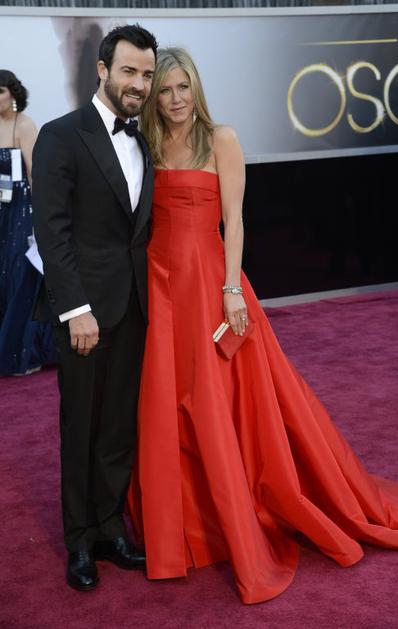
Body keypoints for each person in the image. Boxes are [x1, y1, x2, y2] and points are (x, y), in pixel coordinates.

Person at [127, 48, 398, 605]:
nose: (175, 99)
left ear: (196, 88)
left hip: (209, 285)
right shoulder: (146, 142)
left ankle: (243, 515)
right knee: (168, 402)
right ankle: (184, 524)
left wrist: (230, 290)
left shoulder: (221, 139)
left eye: (182, 87)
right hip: (160, 285)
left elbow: (235, 220)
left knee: (223, 403)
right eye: (164, 90)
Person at [31, 25, 157, 591]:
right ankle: (79, 540)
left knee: (117, 424)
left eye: (147, 74)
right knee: (80, 425)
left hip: (133, 306)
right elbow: (52, 232)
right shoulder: (61, 135)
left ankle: (110, 529)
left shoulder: (145, 139)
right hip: (84, 312)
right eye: (129, 71)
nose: (139, 84)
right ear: (103, 70)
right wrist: (74, 308)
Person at [0, 70, 56, 375]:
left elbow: (36, 173)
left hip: (20, 210)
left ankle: (21, 350)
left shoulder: (24, 125)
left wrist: (39, 217)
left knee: (18, 273)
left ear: (13, 93)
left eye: (0, 91)